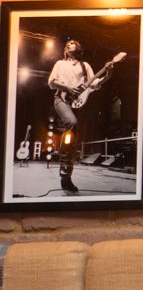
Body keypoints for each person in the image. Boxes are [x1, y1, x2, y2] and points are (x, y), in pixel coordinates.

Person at [46, 38, 95, 194]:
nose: (69, 44)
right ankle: (63, 166)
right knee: (71, 123)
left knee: (74, 139)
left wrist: (108, 73)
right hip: (60, 99)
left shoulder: (84, 65)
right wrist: (66, 87)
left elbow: (94, 83)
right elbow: (51, 82)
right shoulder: (60, 64)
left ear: (78, 47)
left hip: (77, 102)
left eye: (72, 43)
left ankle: (66, 176)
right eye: (67, 44)